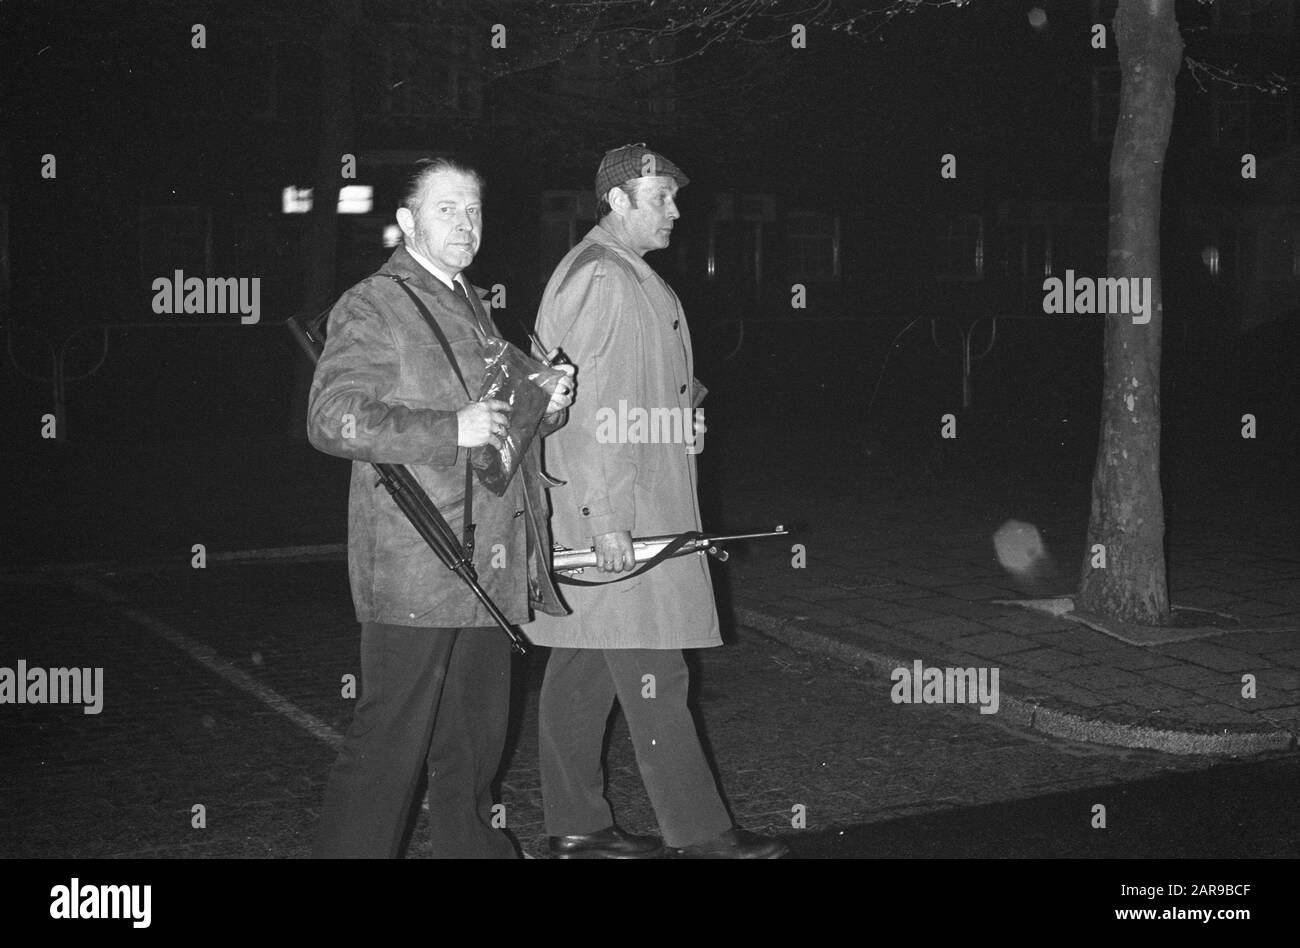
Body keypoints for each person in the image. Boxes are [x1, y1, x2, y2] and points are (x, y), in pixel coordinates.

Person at [307, 156, 574, 858]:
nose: (465, 222)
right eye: (447, 207)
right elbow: (333, 419)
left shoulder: (475, 304)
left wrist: (543, 407)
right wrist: (448, 429)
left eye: (474, 209)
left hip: (487, 564)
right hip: (418, 567)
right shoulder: (375, 303)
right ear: (406, 221)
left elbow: (497, 426)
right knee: (389, 747)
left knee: (474, 745)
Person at [527, 144, 788, 859]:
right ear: (617, 200)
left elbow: (640, 384)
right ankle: (702, 835)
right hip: (621, 514)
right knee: (656, 671)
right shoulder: (603, 278)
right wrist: (602, 519)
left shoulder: (623, 274)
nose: (676, 210)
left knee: (583, 668)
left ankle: (575, 824)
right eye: (661, 197)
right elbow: (587, 409)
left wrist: (683, 412)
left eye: (675, 197)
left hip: (632, 501)